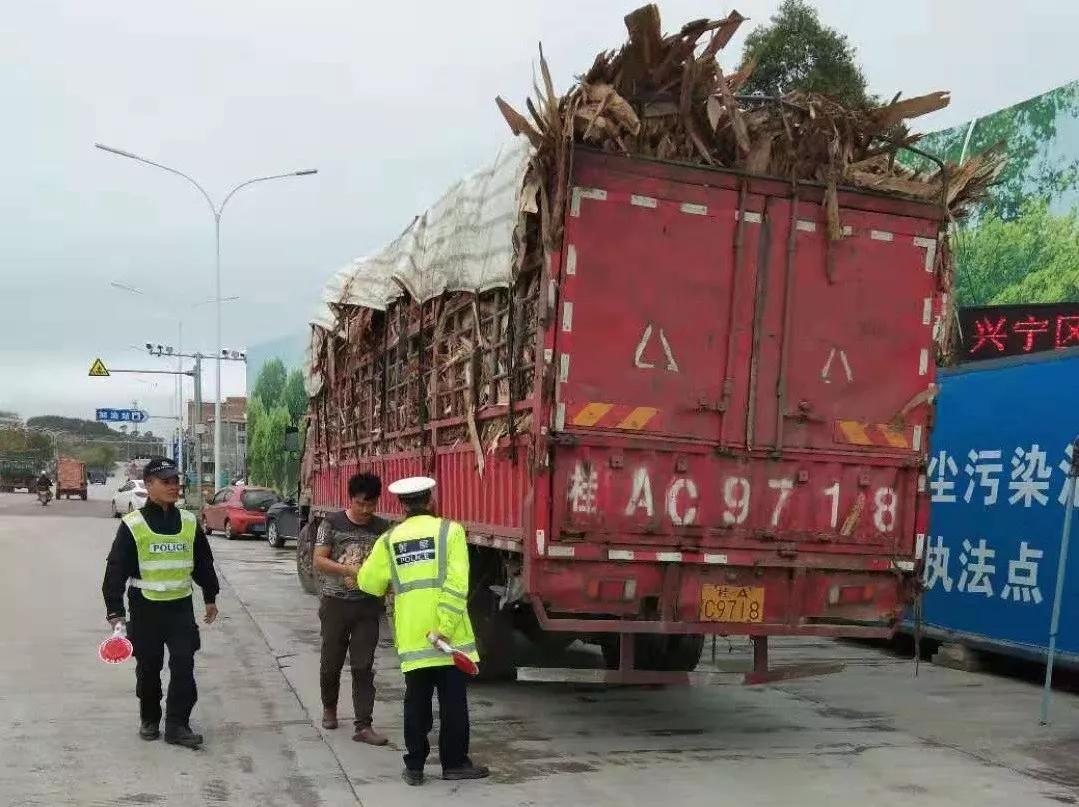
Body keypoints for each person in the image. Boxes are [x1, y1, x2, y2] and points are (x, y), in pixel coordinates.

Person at [357, 476, 489, 786]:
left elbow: (368, 582)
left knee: (416, 702)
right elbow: (457, 585)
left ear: (401, 505)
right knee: (453, 703)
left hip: (414, 638)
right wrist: (444, 628)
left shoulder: (389, 540)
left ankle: (414, 767)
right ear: (430, 500)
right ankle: (454, 764)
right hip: (449, 638)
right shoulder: (450, 532)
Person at [101, 456, 219, 748]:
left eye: (176, 481)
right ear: (149, 485)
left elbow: (203, 563)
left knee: (183, 664)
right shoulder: (133, 524)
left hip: (179, 608)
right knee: (149, 668)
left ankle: (178, 725)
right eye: (165, 481)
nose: (173, 486)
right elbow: (116, 569)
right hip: (145, 608)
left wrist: (210, 597)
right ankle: (150, 717)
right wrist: (115, 612)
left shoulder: (189, 522)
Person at [312, 472, 390, 745]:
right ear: (351, 500)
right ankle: (329, 708)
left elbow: (387, 565)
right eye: (361, 504)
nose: (367, 510)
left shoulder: (382, 528)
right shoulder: (330, 523)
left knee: (363, 666)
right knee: (331, 662)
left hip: (367, 606)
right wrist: (347, 569)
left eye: (372, 504)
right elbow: (319, 560)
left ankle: (363, 725)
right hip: (335, 604)